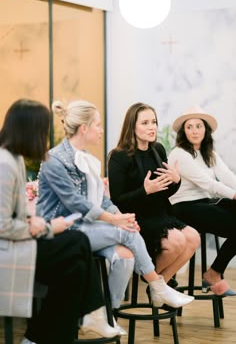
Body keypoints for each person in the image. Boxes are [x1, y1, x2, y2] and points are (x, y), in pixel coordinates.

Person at [36, 99, 194, 320]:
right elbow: (76, 203)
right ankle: (157, 286)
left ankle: (107, 313)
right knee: (128, 232)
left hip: (89, 225)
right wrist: (116, 219)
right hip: (63, 229)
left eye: (154, 122)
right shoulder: (56, 160)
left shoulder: (87, 159)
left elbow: (101, 198)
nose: (101, 130)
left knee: (126, 256)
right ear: (84, 128)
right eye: (98, 125)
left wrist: (121, 216)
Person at [0, 98, 119, 344]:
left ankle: (40, 336)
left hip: (18, 242)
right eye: (43, 131)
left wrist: (32, 219)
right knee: (76, 244)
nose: (45, 139)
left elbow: (13, 213)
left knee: (76, 255)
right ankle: (89, 315)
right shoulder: (5, 164)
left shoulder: (14, 160)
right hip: (8, 250)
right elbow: (2, 226)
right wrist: (46, 226)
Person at [108, 102, 200, 295]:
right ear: (132, 126)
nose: (152, 127)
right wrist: (145, 191)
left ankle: (158, 286)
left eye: (154, 122)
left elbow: (165, 190)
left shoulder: (157, 149)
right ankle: (153, 280)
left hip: (160, 214)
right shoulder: (119, 157)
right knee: (176, 241)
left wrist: (176, 181)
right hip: (136, 219)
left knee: (193, 238)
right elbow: (117, 201)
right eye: (145, 123)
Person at [168, 105, 236, 296]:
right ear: (184, 131)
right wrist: (233, 194)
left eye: (199, 126)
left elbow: (227, 176)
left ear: (205, 129)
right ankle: (214, 274)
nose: (194, 130)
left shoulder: (209, 154)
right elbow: (207, 183)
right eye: (189, 127)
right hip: (183, 207)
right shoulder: (179, 153)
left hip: (205, 203)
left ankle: (214, 272)